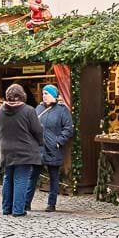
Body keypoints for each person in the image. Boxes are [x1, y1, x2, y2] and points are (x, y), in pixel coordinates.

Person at [0, 83, 44, 217]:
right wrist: (39, 142)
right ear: (22, 96)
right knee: (21, 179)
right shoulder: (28, 110)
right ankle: (18, 209)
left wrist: (3, 142)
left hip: (6, 150)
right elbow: (37, 130)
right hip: (25, 150)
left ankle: (6, 208)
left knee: (7, 178)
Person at [26, 84, 74, 212]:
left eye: (46, 93)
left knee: (54, 177)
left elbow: (68, 128)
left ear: (53, 95)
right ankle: (26, 203)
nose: (44, 96)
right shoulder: (39, 108)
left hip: (53, 148)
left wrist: (59, 141)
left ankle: (51, 204)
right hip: (38, 148)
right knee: (32, 176)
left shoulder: (62, 110)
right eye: (43, 94)